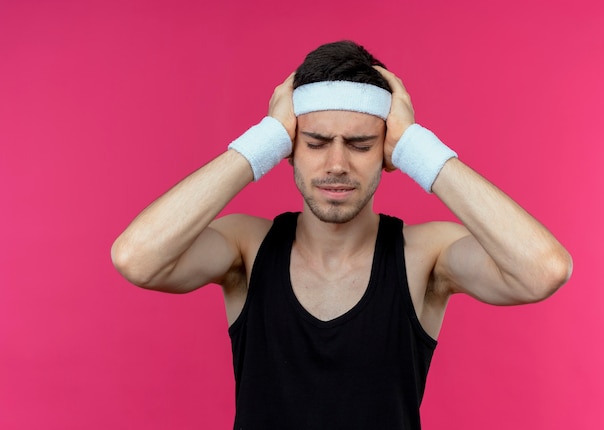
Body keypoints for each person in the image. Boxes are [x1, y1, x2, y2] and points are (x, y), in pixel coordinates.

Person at [111, 41, 573, 429]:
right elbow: (136, 257)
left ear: (389, 154)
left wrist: (419, 147)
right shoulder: (246, 248)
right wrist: (264, 139)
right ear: (288, 149)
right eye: (314, 143)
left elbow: (543, 270)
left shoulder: (424, 256)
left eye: (360, 144)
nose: (336, 164)